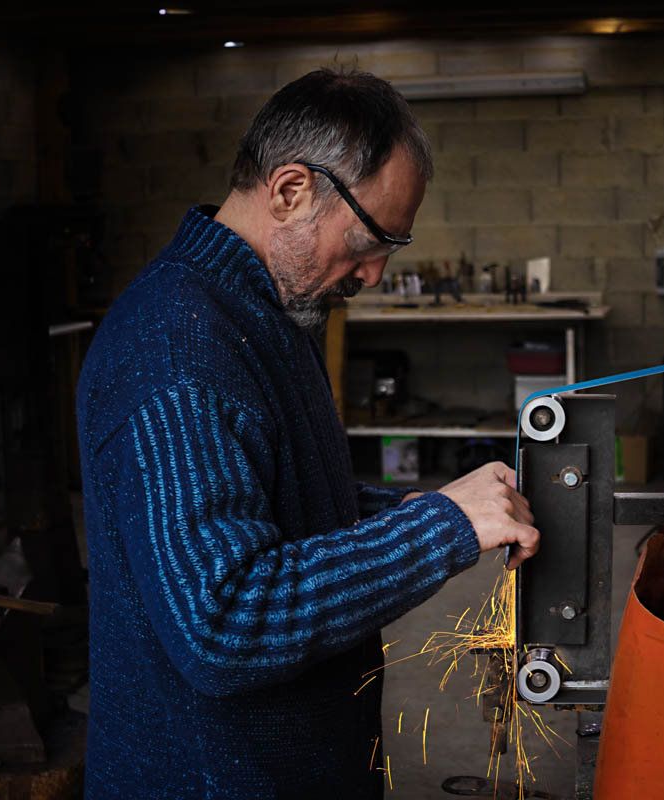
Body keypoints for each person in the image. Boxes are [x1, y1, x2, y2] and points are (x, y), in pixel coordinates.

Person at [76, 68, 539, 799]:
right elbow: (225, 624)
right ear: (291, 190)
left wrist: (430, 506)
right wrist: (439, 529)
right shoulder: (175, 348)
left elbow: (284, 502)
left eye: (393, 246)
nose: (376, 274)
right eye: (369, 239)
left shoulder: (269, 311)